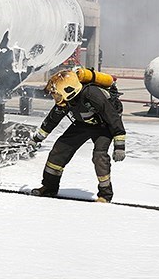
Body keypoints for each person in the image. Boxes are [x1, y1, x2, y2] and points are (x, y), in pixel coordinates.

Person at [29, 69, 126, 203]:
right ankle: (49, 187)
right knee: (59, 149)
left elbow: (113, 118)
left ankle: (105, 195)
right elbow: (52, 120)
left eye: (56, 94)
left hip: (104, 125)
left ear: (69, 90)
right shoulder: (66, 101)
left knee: (99, 156)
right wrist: (36, 139)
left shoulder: (92, 95)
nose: (56, 98)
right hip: (83, 124)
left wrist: (119, 145)